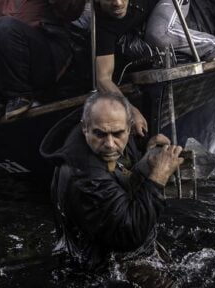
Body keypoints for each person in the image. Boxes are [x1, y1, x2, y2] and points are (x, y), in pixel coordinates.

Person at [41, 92, 182, 284]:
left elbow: (117, 183)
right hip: (105, 268)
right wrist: (158, 176)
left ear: (129, 128)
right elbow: (128, 234)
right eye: (100, 134)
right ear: (85, 128)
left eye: (117, 134)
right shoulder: (85, 176)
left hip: (106, 249)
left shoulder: (88, 146)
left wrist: (145, 161)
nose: (109, 144)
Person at [90, 0, 215, 135]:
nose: (118, 2)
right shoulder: (103, 23)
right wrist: (130, 111)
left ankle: (210, 45)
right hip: (145, 17)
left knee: (158, 35)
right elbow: (103, 78)